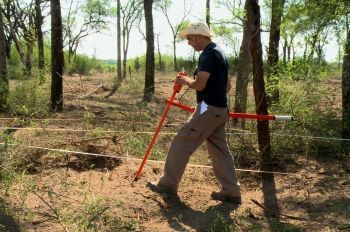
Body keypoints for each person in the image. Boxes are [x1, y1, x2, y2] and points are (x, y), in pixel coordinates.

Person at [147, 22, 241, 204]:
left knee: (181, 142)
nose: (189, 43)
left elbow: (199, 84)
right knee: (220, 151)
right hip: (221, 110)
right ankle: (231, 192)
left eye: (190, 39)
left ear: (199, 36)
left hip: (209, 108)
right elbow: (227, 87)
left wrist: (184, 80)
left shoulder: (207, 55)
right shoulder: (220, 52)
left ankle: (167, 185)